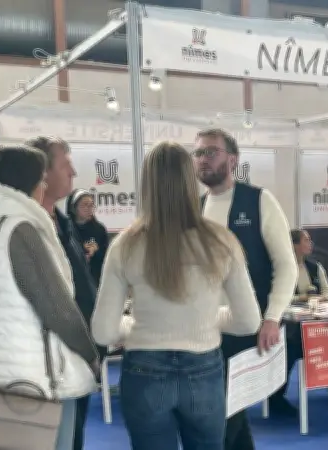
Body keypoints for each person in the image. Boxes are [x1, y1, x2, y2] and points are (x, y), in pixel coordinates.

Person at [91, 141, 261, 450]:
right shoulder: (221, 242)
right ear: (189, 178)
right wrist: (208, 318)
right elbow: (249, 321)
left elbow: (103, 332)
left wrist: (133, 325)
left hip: (144, 369)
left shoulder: (125, 245)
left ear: (146, 184)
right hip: (204, 369)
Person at [0, 145, 100, 450]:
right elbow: (57, 307)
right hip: (29, 383)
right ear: (25, 182)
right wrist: (90, 353)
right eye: (40, 179)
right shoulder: (17, 228)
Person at [194, 128, 298, 444]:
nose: (202, 159)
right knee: (229, 415)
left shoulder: (259, 201)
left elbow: (287, 265)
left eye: (211, 152)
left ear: (233, 159)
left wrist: (272, 318)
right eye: (198, 153)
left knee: (223, 416)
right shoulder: (195, 208)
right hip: (206, 329)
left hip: (248, 326)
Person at [25, 136, 104, 449]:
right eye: (65, 163)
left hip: (77, 352)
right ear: (43, 172)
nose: (73, 171)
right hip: (51, 358)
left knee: (73, 436)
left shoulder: (63, 221)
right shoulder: (28, 224)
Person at [66, 189, 109, 285]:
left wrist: (95, 252)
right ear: (74, 207)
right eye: (85, 205)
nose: (89, 208)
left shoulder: (99, 229)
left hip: (94, 280)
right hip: (72, 280)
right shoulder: (65, 228)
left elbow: (107, 257)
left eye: (91, 205)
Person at [290, 229, 328, 302]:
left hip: (315, 309)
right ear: (295, 245)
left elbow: (327, 291)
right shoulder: (284, 270)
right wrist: (302, 298)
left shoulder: (315, 266)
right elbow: (281, 298)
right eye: (306, 240)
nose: (310, 243)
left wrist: (318, 299)